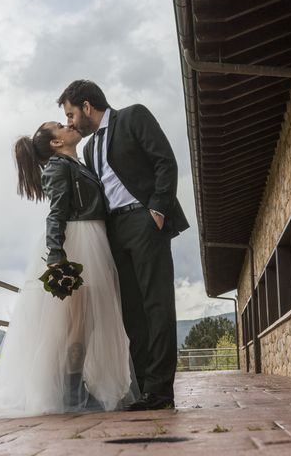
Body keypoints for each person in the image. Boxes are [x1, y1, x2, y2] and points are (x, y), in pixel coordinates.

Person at [0, 121, 137, 421]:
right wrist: (57, 255)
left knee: (85, 322)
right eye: (60, 125)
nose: (68, 125)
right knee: (79, 323)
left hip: (90, 239)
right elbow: (56, 213)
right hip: (79, 243)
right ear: (56, 143)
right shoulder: (58, 167)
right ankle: (72, 391)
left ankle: (75, 385)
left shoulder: (74, 163)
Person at [57, 80, 189, 411]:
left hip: (146, 221)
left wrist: (157, 210)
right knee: (132, 311)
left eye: (71, 114)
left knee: (156, 304)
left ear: (87, 107)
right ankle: (145, 387)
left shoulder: (133, 117)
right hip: (115, 232)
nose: (71, 122)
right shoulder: (88, 150)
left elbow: (165, 162)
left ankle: (161, 390)